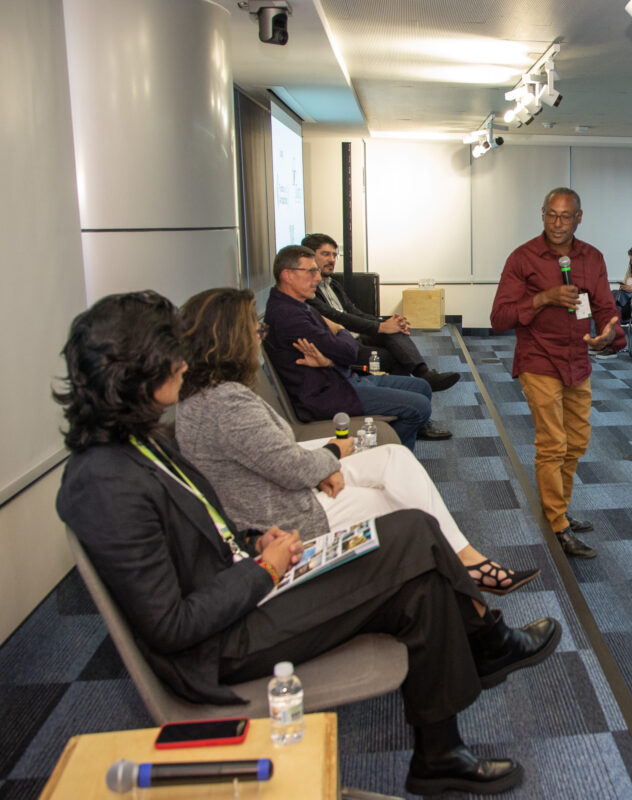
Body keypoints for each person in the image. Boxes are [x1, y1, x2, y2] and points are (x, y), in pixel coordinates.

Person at [54, 291, 561, 796]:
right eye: (171, 352)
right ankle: (489, 640)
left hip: (244, 591)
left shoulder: (142, 444)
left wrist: (255, 542)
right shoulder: (102, 482)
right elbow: (171, 626)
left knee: (422, 585)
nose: (183, 361)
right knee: (413, 531)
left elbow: (205, 533)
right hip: (224, 643)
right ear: (138, 367)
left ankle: (439, 756)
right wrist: (264, 569)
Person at [175, 288, 538, 595]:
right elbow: (291, 468)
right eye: (254, 328)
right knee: (399, 506)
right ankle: (464, 576)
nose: (261, 334)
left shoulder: (210, 396)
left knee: (394, 457)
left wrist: (323, 463)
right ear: (228, 339)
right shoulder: (226, 404)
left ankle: (467, 561)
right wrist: (333, 453)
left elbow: (274, 457)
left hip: (288, 485)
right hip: (288, 513)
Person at [490, 188, 623, 559]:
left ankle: (558, 510)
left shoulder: (592, 258)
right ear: (542, 214)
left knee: (577, 442)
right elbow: (499, 317)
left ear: (579, 217)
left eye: (566, 216)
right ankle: (558, 524)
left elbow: (606, 308)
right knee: (552, 443)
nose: (558, 223)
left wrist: (609, 335)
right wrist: (544, 298)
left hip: (578, 360)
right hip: (539, 358)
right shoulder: (523, 257)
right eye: (551, 215)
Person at [263, 245, 450, 449]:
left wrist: (330, 355)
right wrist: (340, 330)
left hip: (341, 378)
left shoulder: (298, 304)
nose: (317, 278)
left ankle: (392, 444)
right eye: (311, 271)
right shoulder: (289, 316)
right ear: (288, 275)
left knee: (422, 387)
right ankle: (385, 454)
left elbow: (342, 343)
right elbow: (349, 352)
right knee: (419, 407)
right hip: (329, 393)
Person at [300, 233, 459, 392]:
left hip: (356, 336)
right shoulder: (307, 290)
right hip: (342, 343)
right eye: (325, 254)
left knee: (394, 332)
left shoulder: (333, 285)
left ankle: (424, 375)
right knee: (392, 357)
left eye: (334, 255)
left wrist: (386, 324)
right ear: (310, 257)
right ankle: (411, 402)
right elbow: (338, 317)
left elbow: (355, 313)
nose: (332, 260)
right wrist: (381, 327)